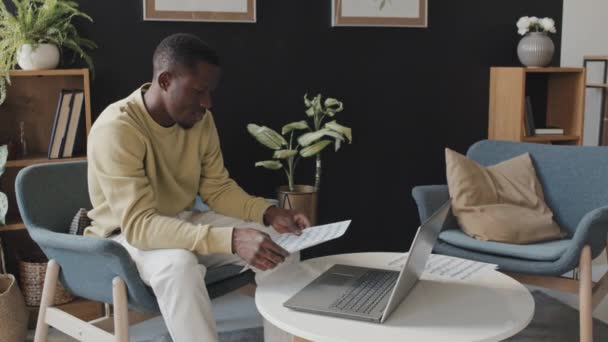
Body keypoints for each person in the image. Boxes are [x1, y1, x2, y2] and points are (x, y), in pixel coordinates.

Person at [85, 33, 311, 342]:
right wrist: (232, 239)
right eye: (199, 91)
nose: (207, 103)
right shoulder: (117, 129)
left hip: (180, 220)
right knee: (179, 265)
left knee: (282, 243)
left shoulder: (200, 120)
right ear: (165, 80)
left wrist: (268, 213)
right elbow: (140, 226)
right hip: (124, 238)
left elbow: (217, 190)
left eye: (210, 92)